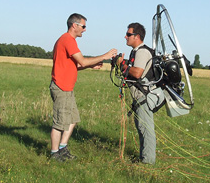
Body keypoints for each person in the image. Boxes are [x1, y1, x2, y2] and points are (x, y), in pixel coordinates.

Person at [50, 13, 117, 162]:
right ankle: (54, 154)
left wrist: (91, 65)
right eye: (83, 26)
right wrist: (105, 55)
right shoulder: (67, 40)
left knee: (72, 119)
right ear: (74, 25)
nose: (85, 30)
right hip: (61, 87)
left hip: (67, 87)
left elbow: (76, 65)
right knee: (60, 123)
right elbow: (83, 61)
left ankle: (63, 148)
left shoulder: (68, 40)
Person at [117, 22, 159, 164]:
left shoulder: (142, 52)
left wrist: (122, 65)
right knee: (141, 128)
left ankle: (148, 162)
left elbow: (137, 72)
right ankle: (144, 157)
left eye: (129, 34)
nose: (126, 36)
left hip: (144, 97)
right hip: (139, 98)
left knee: (146, 130)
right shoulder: (136, 51)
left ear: (137, 36)